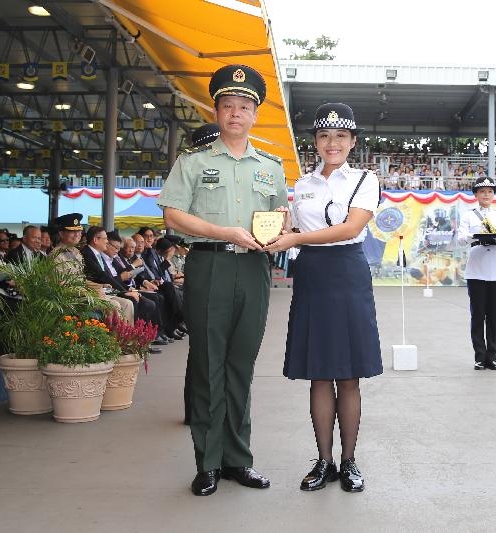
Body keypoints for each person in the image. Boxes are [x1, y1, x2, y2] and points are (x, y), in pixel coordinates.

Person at [158, 63, 289, 497]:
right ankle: (208, 462)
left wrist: (279, 232)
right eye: (228, 106)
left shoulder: (270, 166)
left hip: (254, 268)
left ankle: (238, 460)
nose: (236, 113)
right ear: (217, 112)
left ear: (255, 114)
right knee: (208, 363)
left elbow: (280, 216)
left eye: (244, 106)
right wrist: (225, 232)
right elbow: (173, 215)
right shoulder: (193, 163)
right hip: (209, 264)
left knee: (241, 364)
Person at [264, 103, 382, 493]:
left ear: (352, 141)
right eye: (324, 136)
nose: (332, 143)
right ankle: (324, 461)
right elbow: (291, 226)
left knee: (348, 375)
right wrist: (279, 225)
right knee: (318, 373)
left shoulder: (366, 179)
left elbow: (351, 228)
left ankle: (349, 461)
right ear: (315, 141)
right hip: (312, 276)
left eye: (341, 136)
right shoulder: (302, 184)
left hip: (347, 274)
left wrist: (294, 236)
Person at [456, 176, 496, 371]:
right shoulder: (469, 215)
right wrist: (477, 236)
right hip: (476, 271)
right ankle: (479, 357)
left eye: (490, 191)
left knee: (494, 316)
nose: (486, 195)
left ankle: (492, 357)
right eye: (482, 191)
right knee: (478, 315)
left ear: (494, 195)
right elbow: (461, 239)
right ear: (476, 195)